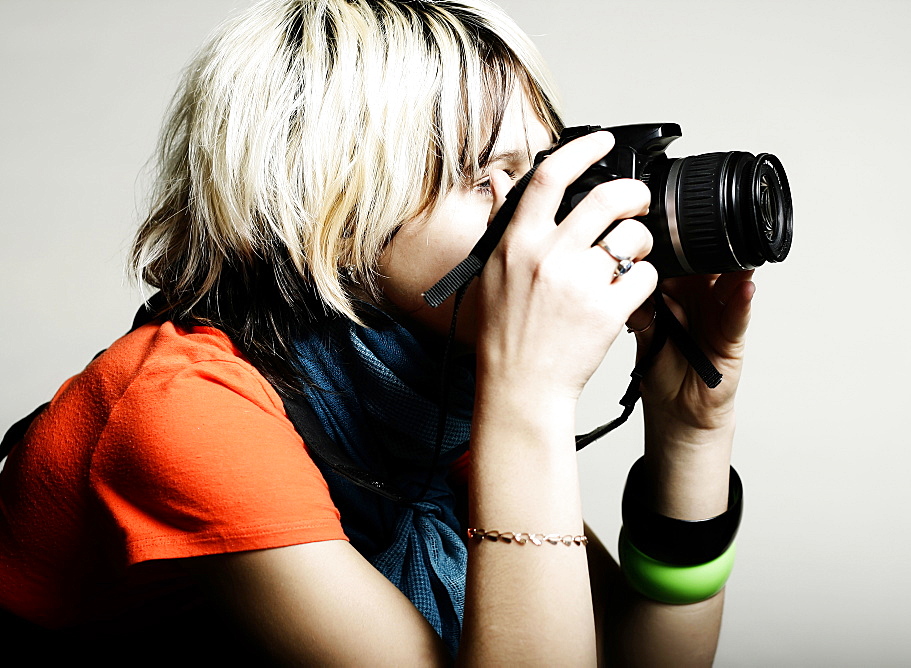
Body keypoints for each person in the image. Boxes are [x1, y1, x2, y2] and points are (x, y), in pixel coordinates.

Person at [0, 0, 756, 664]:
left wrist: (691, 430)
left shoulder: (417, 395)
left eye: (539, 169)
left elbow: (633, 658)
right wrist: (529, 397)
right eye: (484, 176)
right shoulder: (187, 407)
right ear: (323, 219)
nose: (535, 212)